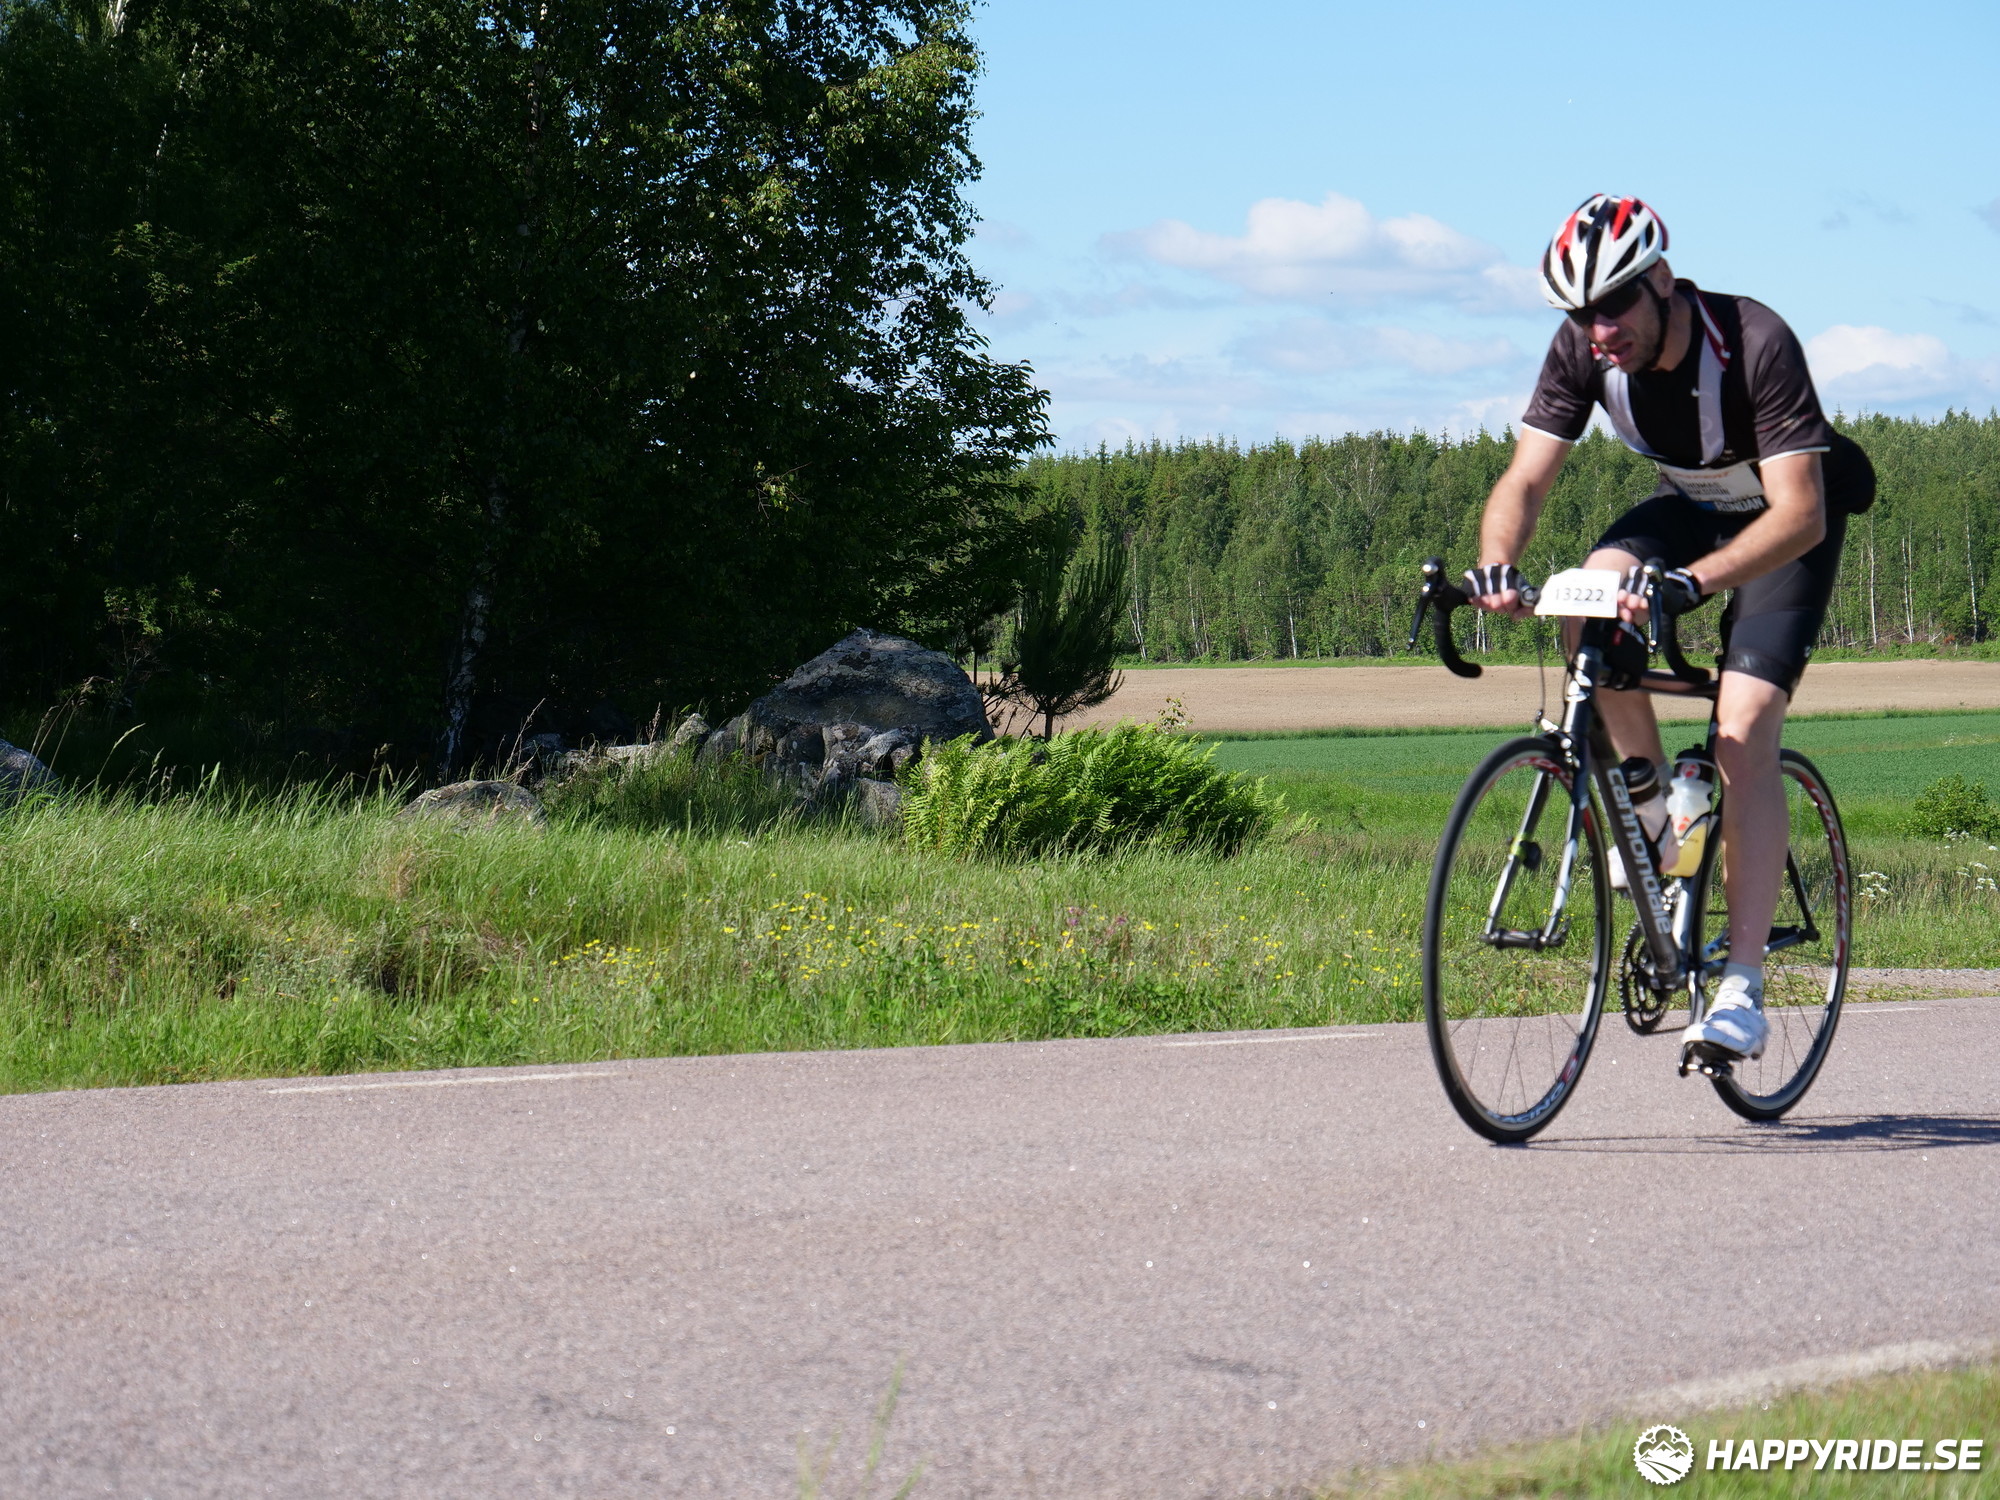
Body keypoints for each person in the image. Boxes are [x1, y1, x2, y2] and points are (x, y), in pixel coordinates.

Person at [1463, 193, 1873, 1065]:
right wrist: (1497, 563)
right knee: (1586, 602)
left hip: (1785, 524)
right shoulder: (1584, 348)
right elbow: (1525, 480)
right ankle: (1653, 819)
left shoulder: (1754, 340)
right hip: (1690, 505)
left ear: (1661, 281)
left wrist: (1694, 582)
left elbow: (1799, 513)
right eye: (1580, 313)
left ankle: (1741, 992)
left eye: (1614, 305)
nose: (1598, 330)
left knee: (1741, 731)